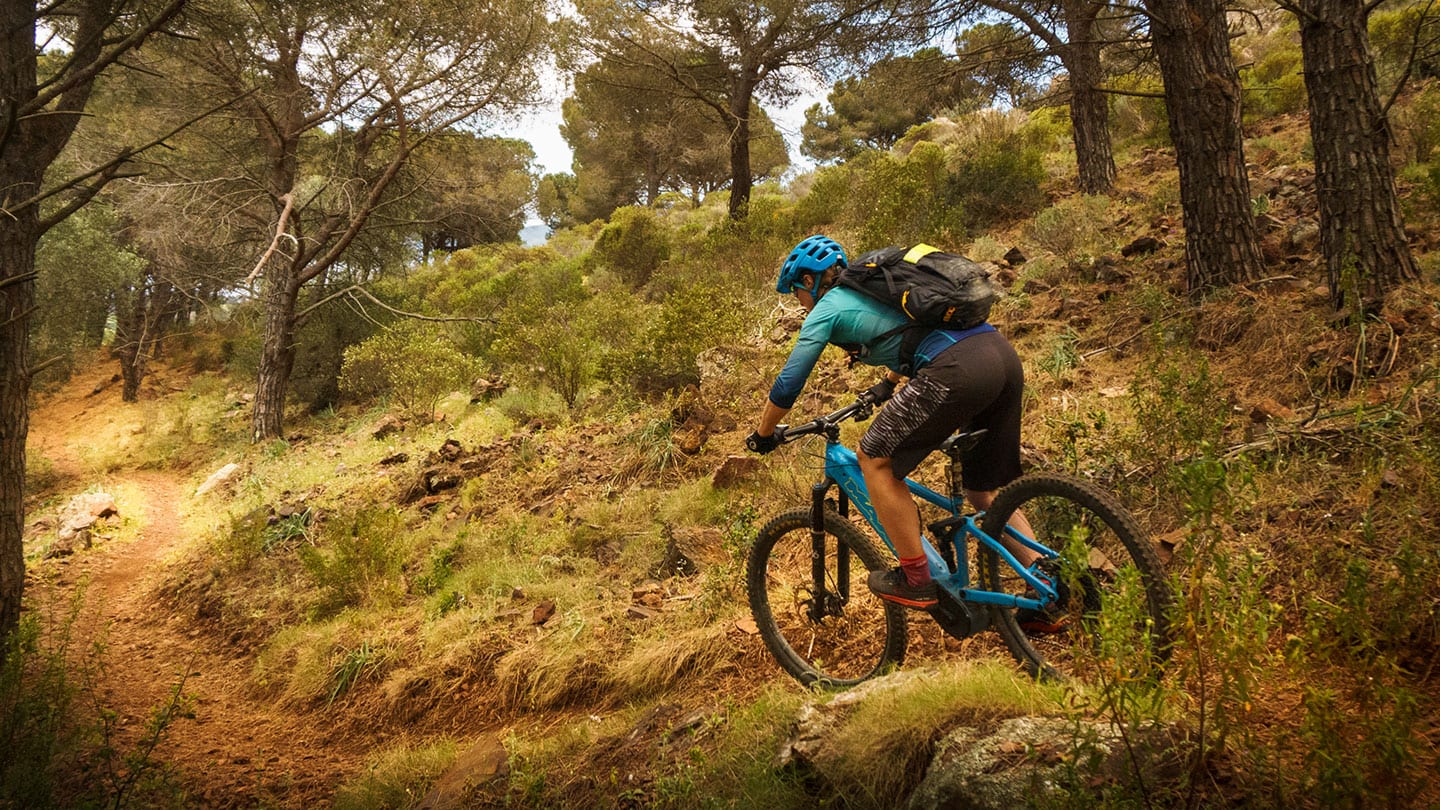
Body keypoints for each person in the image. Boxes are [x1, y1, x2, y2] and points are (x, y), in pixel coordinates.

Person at [747, 234, 1035, 611]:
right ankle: (1045, 582)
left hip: (957, 370)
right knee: (982, 493)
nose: (799, 302)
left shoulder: (827, 307)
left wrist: (764, 433)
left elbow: (789, 382)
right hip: (1000, 357)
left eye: (796, 293)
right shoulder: (879, 288)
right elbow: (915, 331)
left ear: (808, 281)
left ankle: (917, 578)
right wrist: (888, 382)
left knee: (873, 458)